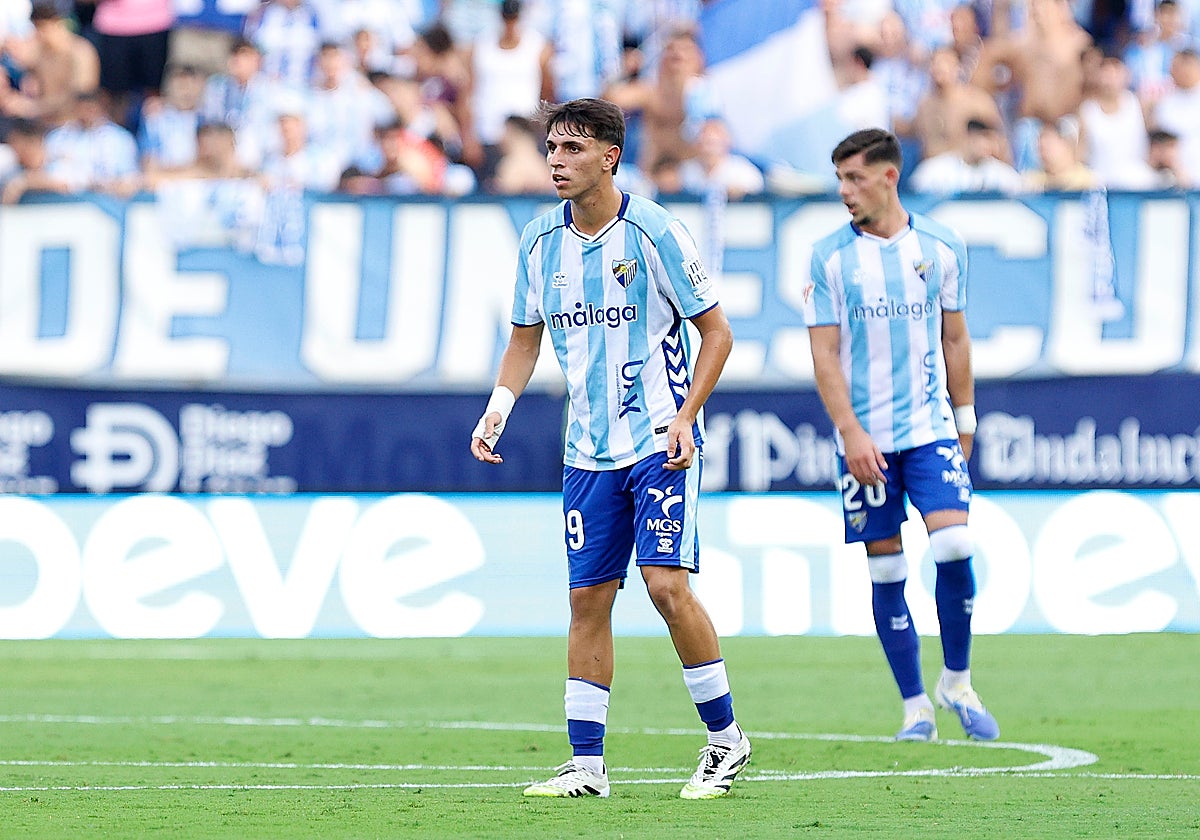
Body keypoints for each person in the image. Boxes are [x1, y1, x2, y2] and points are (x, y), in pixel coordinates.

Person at [469, 97, 750, 800]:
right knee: (588, 602)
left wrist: (688, 415)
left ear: (609, 156)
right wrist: (497, 409)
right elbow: (524, 338)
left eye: (570, 150)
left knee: (664, 586)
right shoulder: (538, 242)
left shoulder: (654, 232)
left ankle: (726, 741)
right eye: (551, 150)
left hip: (661, 437)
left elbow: (717, 333)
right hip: (586, 451)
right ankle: (586, 766)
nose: (556, 162)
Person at [802, 127, 1000, 744]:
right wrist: (851, 433)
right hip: (865, 441)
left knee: (955, 547)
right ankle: (915, 704)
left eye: (855, 178)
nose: (844, 191)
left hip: (928, 426)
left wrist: (965, 419)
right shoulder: (829, 256)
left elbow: (956, 338)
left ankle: (958, 681)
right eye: (838, 179)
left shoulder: (941, 245)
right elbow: (825, 356)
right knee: (886, 573)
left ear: (889, 176)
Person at [908, 117, 1025, 194]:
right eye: (980, 138)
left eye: (989, 140)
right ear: (968, 138)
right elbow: (916, 188)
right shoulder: (938, 169)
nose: (985, 145)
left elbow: (1019, 189)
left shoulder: (1000, 173)